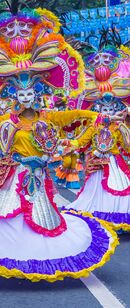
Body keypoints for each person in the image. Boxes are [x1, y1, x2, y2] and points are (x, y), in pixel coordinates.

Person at [0, 7, 119, 281]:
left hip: (39, 176)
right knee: (5, 214)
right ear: (12, 92)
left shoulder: (50, 117)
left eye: (30, 91)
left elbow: (85, 115)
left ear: (39, 92)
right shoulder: (6, 120)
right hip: (15, 174)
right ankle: (5, 253)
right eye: (20, 92)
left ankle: (39, 253)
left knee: (42, 217)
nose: (25, 97)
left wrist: (98, 121)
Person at [64, 36, 130, 231]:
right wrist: (70, 145)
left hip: (116, 163)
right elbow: (82, 140)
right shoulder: (94, 126)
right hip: (97, 164)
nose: (108, 112)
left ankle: (119, 218)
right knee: (98, 190)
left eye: (111, 109)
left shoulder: (121, 127)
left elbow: (126, 145)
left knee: (121, 187)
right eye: (104, 109)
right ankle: (103, 218)